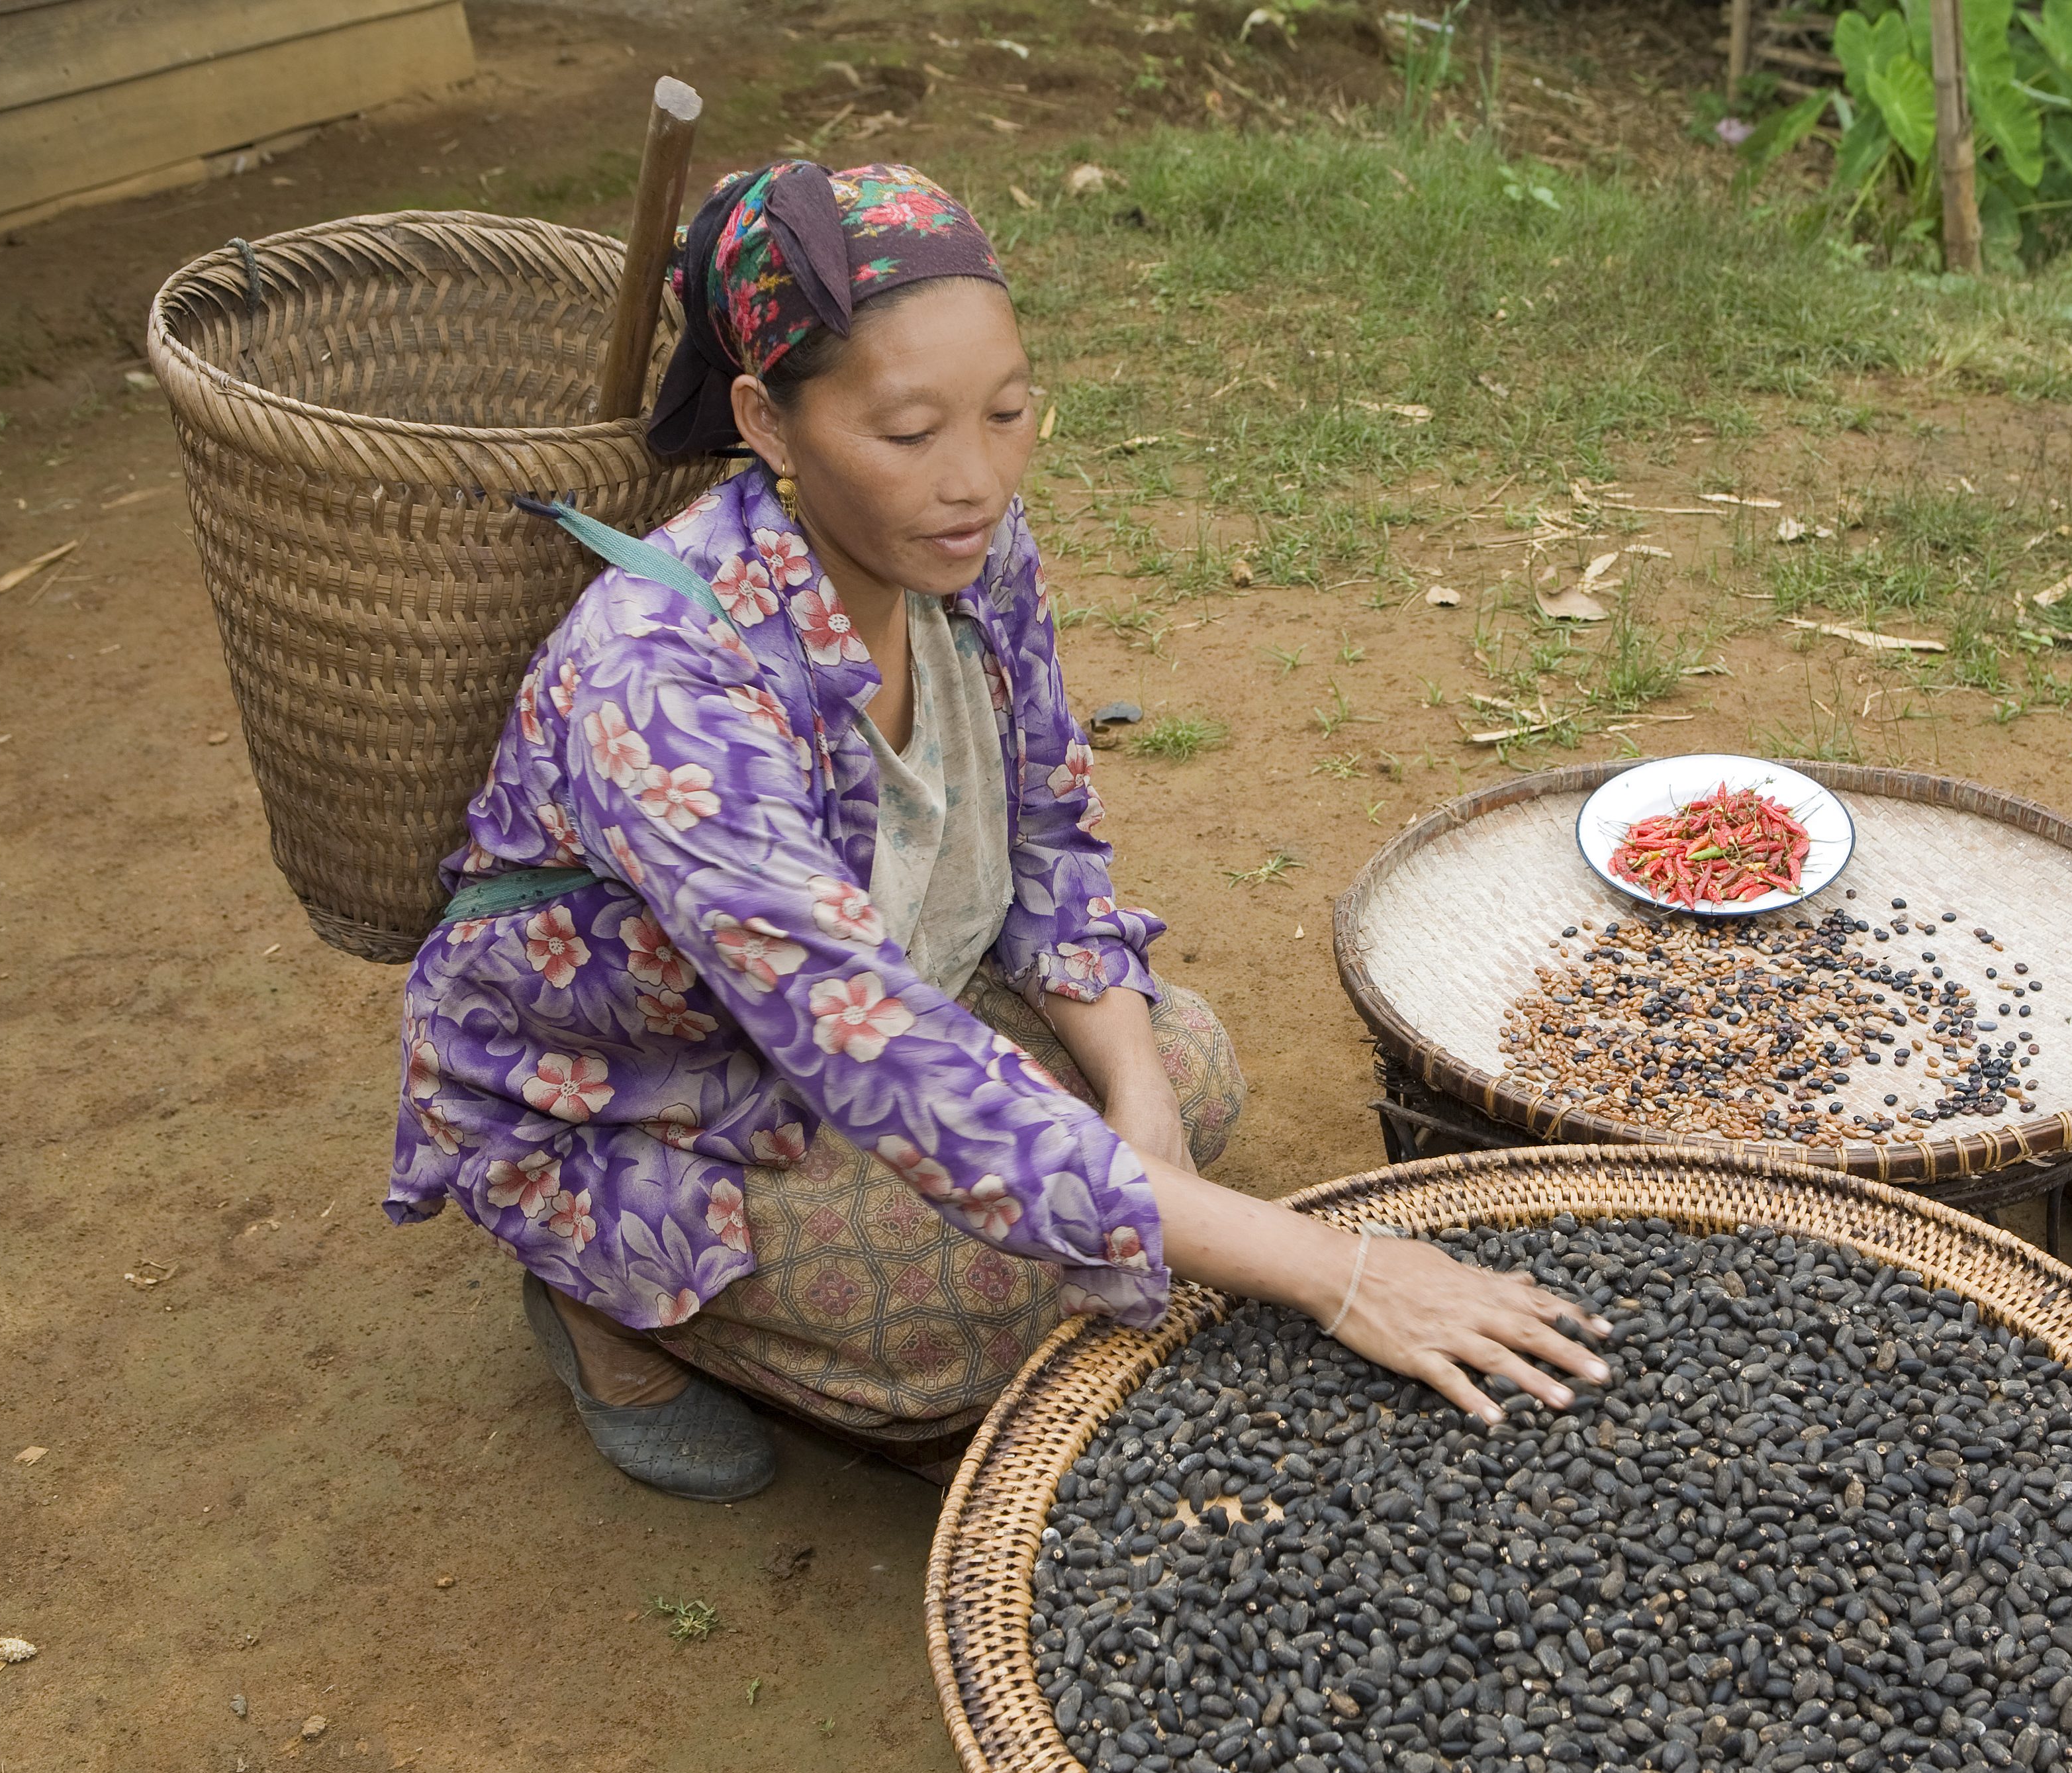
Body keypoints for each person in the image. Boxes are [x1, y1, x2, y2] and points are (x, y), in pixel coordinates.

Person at [387, 161, 1605, 1500]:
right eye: (909, 434)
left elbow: (1048, 835)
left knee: (1186, 1070)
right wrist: (1341, 1270)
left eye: (1009, 413)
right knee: (964, 1308)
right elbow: (879, 1050)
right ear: (769, 424)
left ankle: (1088, 1160)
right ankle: (598, 1309)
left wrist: (1138, 1114)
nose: (974, 479)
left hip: (881, 997)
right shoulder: (664, 680)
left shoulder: (969, 543)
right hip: (655, 1090)